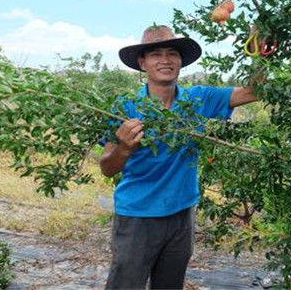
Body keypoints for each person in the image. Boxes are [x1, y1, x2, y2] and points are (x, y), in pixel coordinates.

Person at [99, 24, 258, 289]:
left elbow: (253, 92)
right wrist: (124, 148)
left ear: (180, 60)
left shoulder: (197, 99)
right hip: (137, 216)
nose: (165, 60)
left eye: (172, 53)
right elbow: (106, 168)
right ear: (142, 62)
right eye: (155, 54)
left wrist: (257, 50)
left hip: (182, 215)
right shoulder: (123, 108)